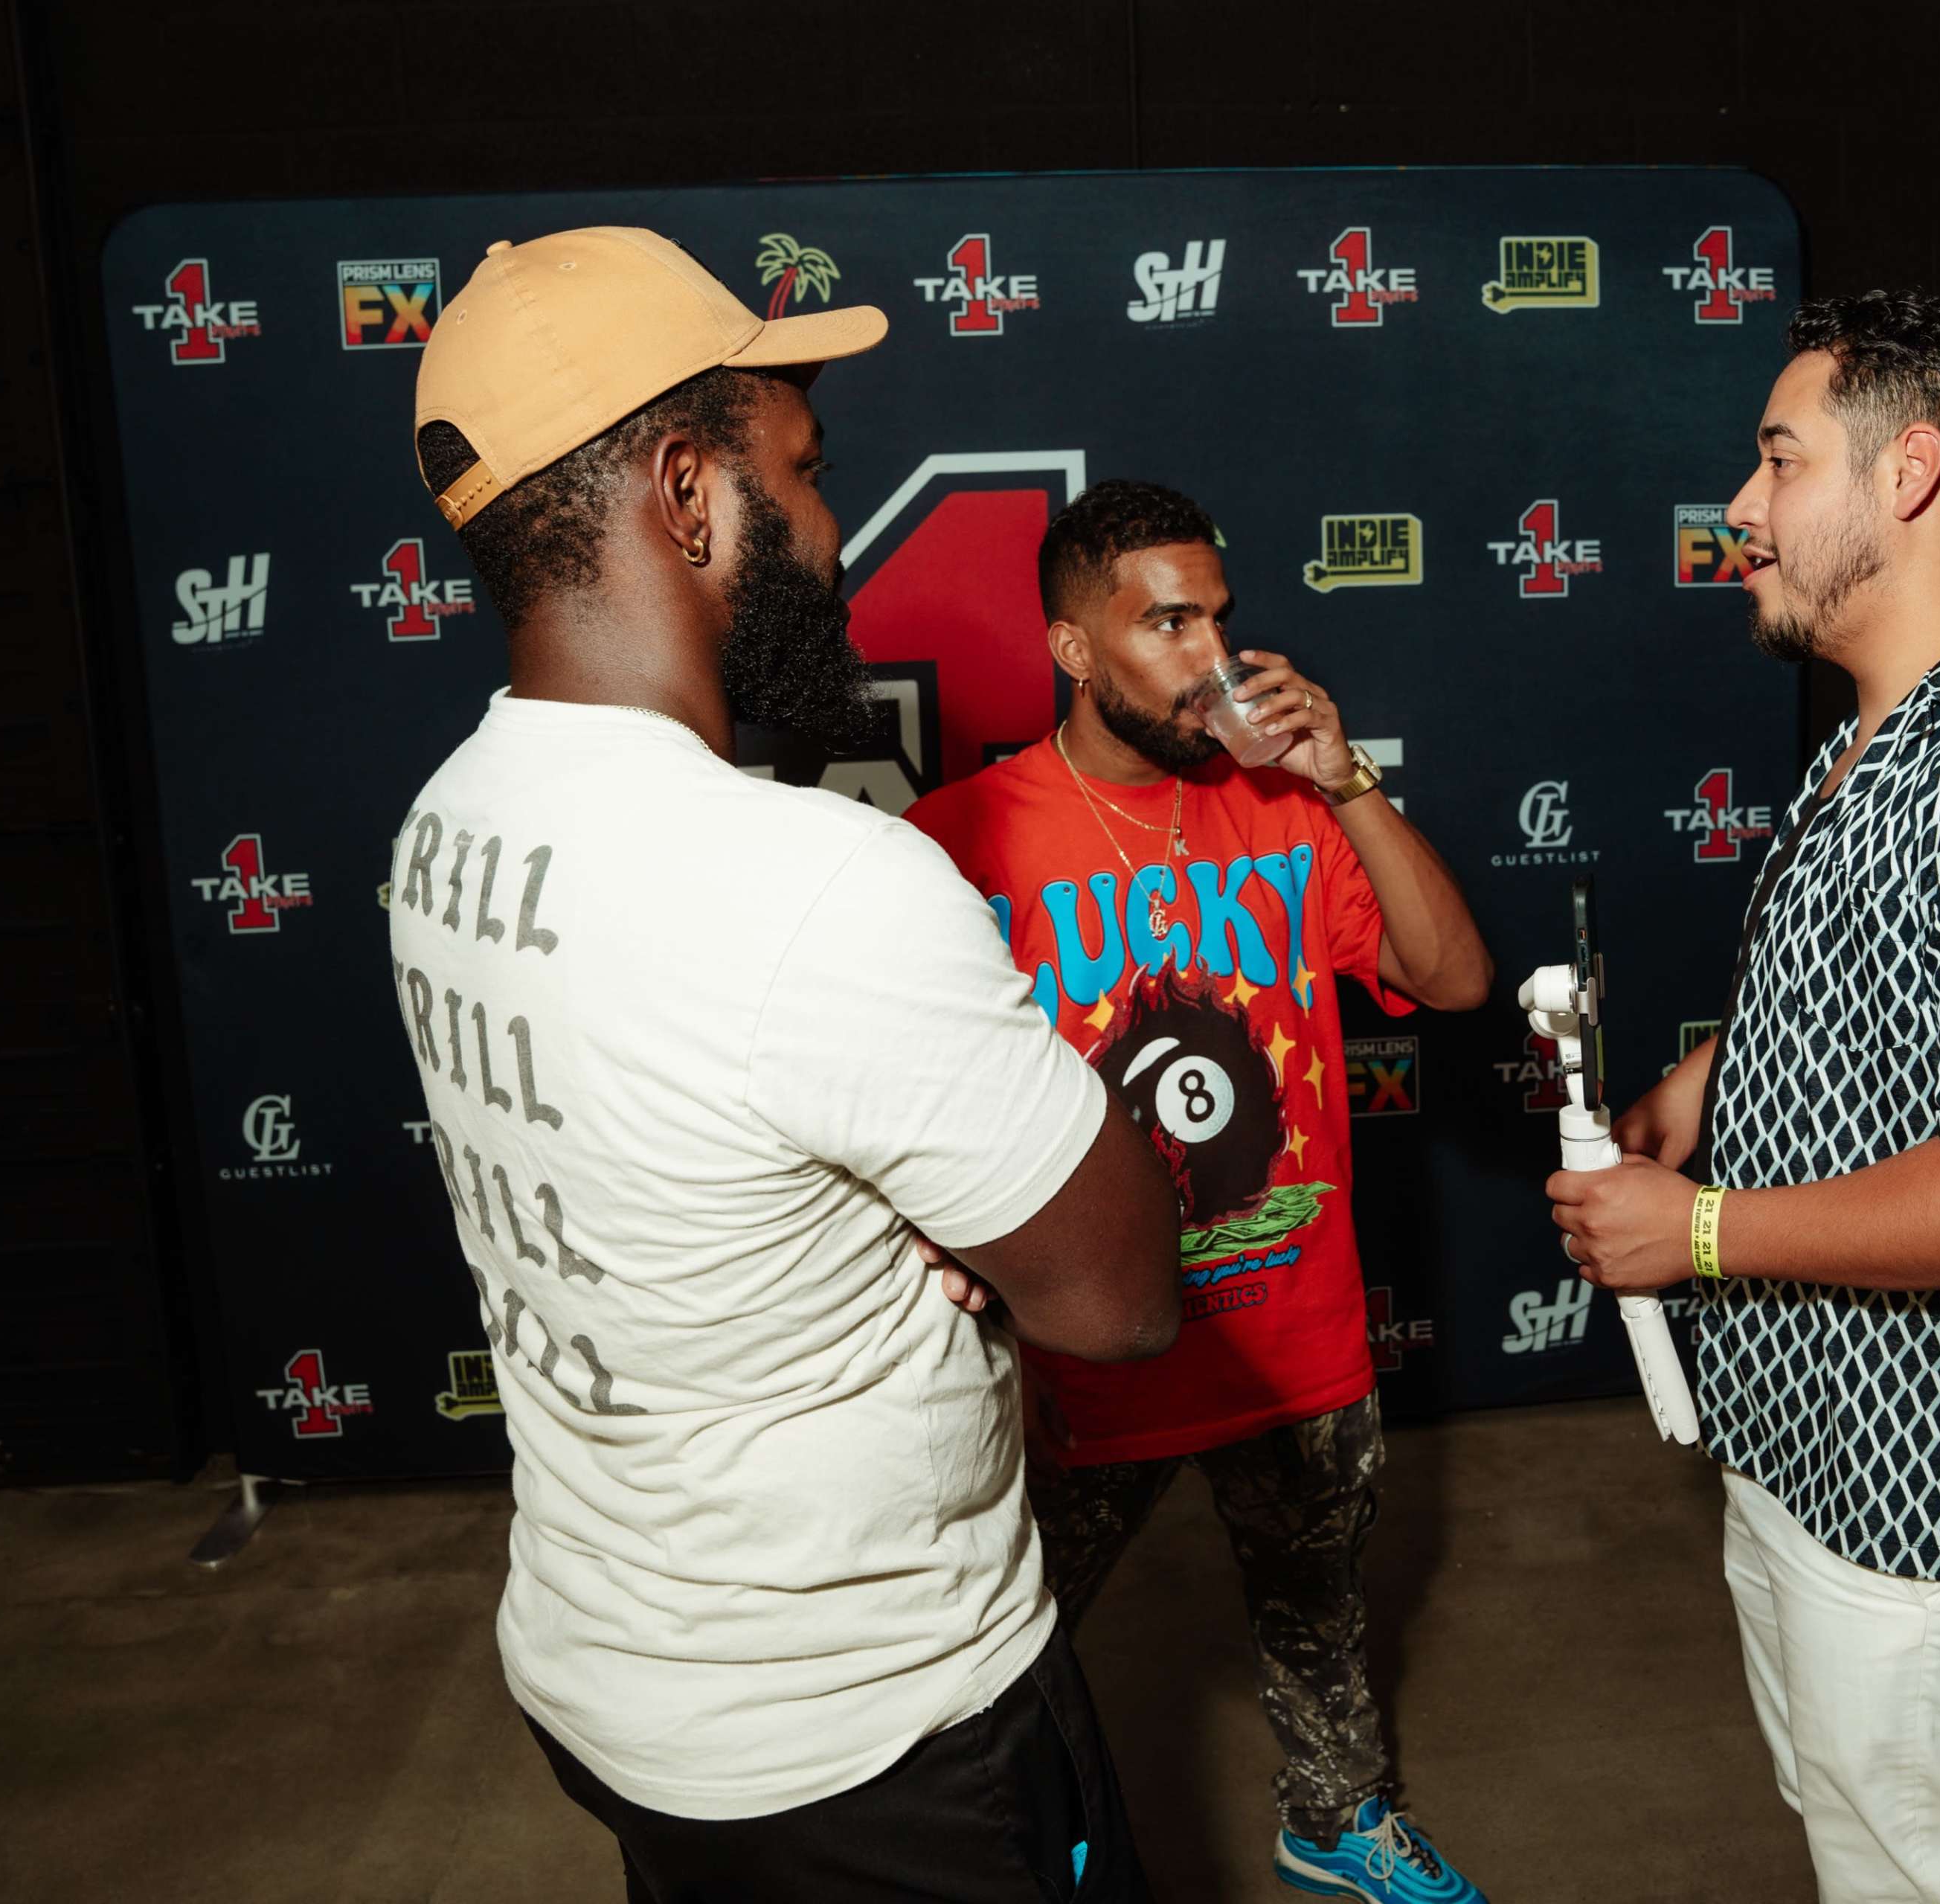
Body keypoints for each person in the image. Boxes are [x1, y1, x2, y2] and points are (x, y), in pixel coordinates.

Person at [388, 227, 1181, 1903]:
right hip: (878, 1743)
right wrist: (981, 1167)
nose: (829, 528)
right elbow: (1117, 1295)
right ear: (685, 493)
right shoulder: (818, 881)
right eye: (803, 472)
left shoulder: (442, 827)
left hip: (621, 1682)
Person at [1547, 290, 1940, 1903]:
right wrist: (1714, 1078)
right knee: (1852, 1835)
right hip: (1808, 1441)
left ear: (1906, 472)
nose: (1743, 510)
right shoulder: (1892, 731)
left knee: (1916, 1875)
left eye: (1778, 460)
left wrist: (1695, 1233)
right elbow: (1886, 995)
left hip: (1929, 1506)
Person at [905, 479, 1494, 1904]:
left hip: (1294, 1336)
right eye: (1167, 622)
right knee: (986, 1658)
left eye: (1219, 617)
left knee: (1320, 1620)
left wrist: (1346, 777)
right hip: (1083, 1352)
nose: (1214, 655)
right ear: (1072, 649)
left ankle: (1337, 1815)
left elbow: (1454, 979)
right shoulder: (957, 836)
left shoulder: (1287, 812)